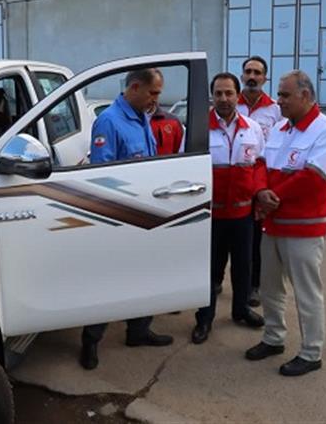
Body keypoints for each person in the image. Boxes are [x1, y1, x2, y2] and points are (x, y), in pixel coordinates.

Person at [245, 70, 326, 377]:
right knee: (270, 288)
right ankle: (273, 338)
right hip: (272, 224)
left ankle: (311, 352)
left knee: (306, 292)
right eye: (279, 94)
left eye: (285, 95)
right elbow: (260, 164)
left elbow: (313, 177)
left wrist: (272, 196)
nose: (279, 100)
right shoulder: (280, 128)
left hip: (303, 228)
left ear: (305, 95)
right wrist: (260, 191)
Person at [80, 68, 174, 370]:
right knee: (109, 281)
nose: (156, 99)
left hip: (147, 213)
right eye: (153, 92)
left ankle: (139, 330)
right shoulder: (109, 121)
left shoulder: (142, 116)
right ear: (134, 87)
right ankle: (91, 340)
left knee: (145, 275)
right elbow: (101, 177)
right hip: (121, 217)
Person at [191, 72, 266, 345]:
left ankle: (241, 310)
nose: (224, 98)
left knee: (243, 267)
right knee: (210, 270)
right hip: (210, 215)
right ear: (212, 96)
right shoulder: (198, 128)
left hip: (243, 214)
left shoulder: (252, 128)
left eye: (229, 93)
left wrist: (259, 195)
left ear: (238, 95)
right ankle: (204, 318)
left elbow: (260, 165)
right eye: (218, 93)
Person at [236, 56, 282, 308]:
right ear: (242, 75)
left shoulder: (275, 109)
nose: (252, 76)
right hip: (234, 180)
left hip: (262, 179)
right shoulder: (230, 103)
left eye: (257, 72)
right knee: (225, 235)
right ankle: (216, 280)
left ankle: (254, 286)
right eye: (248, 71)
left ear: (265, 78)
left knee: (256, 239)